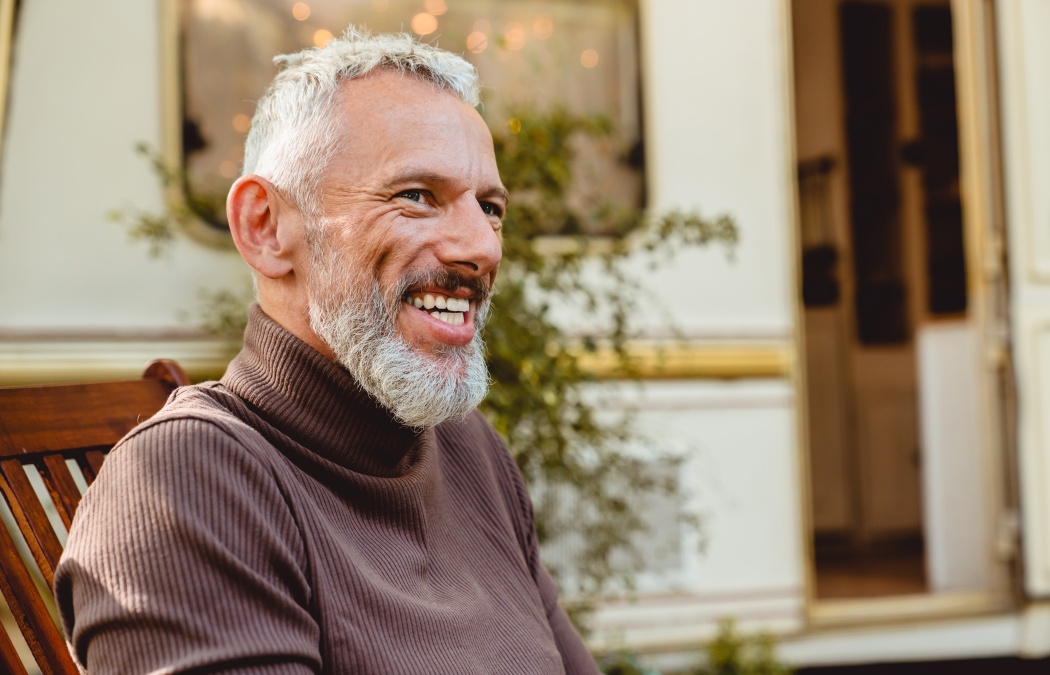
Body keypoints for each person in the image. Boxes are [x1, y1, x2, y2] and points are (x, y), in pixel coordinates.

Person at [54, 28, 598, 674]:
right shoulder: (187, 486)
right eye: (416, 196)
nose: (481, 247)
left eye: (490, 207)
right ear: (266, 227)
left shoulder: (468, 449)